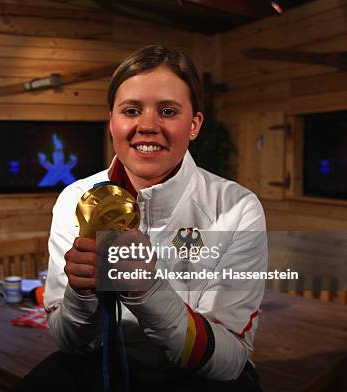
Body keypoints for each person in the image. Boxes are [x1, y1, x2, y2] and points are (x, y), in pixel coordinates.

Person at [15, 45, 267, 391]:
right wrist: (80, 294)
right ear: (112, 123)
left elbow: (230, 359)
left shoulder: (237, 208)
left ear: (194, 125)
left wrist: (148, 290)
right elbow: (71, 343)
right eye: (131, 110)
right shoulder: (75, 199)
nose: (147, 125)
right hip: (104, 366)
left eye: (167, 110)